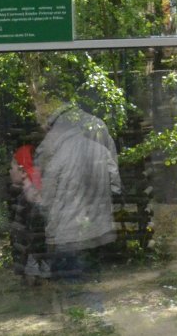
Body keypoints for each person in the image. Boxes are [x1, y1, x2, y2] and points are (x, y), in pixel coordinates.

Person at [10, 104, 121, 279]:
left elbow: (45, 200)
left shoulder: (56, 157)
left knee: (71, 292)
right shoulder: (101, 151)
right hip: (98, 234)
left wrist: (28, 186)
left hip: (67, 238)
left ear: (58, 128)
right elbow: (115, 187)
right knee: (92, 288)